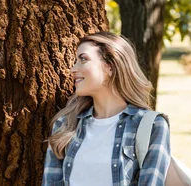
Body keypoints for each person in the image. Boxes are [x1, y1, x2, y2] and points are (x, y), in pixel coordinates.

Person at [42, 32, 171, 186]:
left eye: (83, 59)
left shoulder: (152, 125)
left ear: (110, 66)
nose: (72, 69)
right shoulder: (64, 125)